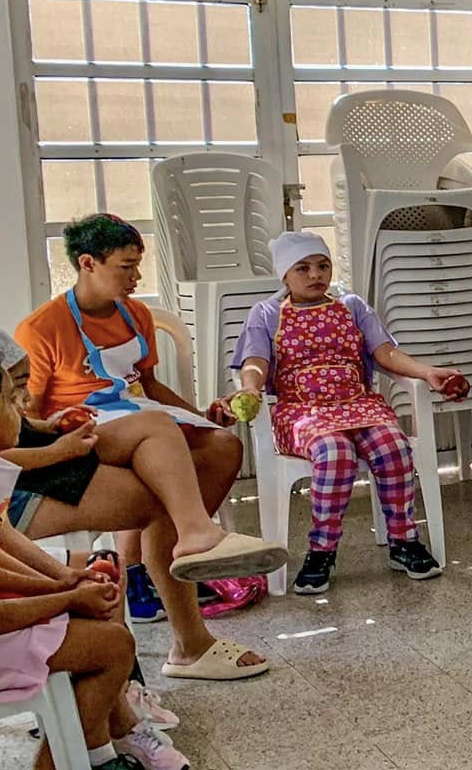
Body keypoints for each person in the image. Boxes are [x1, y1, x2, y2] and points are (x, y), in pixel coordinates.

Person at [14, 214, 280, 682]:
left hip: (136, 418)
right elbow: (26, 419)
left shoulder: (134, 313)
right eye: (126, 267)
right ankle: (196, 536)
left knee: (220, 446)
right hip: (81, 433)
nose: (136, 278)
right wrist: (62, 435)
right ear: (88, 263)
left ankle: (183, 561)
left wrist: (199, 415)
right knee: (157, 431)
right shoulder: (42, 328)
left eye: (138, 267)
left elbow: (148, 385)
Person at [0, 352, 175, 770]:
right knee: (111, 645)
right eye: (11, 399)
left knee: (95, 616)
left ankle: (95, 763)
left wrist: (63, 581)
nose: (22, 407)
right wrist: (67, 597)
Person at [225, 232, 464, 590]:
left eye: (322, 266)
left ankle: (404, 540)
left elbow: (386, 354)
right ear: (284, 276)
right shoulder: (267, 314)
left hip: (359, 404)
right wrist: (250, 387)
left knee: (393, 447)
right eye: (302, 268)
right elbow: (255, 361)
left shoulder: (352, 306)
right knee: (335, 454)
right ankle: (322, 550)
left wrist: (427, 372)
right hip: (302, 410)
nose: (314, 275)